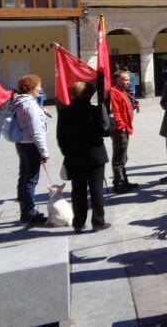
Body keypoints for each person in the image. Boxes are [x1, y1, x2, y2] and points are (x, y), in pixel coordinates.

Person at [56, 81, 112, 233]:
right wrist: (105, 111)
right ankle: (98, 222)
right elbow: (106, 131)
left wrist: (67, 153)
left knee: (78, 191)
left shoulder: (65, 112)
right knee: (96, 190)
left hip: (74, 156)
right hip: (95, 156)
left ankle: (78, 223)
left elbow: (60, 137)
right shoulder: (95, 111)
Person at [12, 74, 50, 225]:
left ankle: (24, 211)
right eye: (38, 86)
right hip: (31, 145)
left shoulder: (20, 102)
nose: (40, 89)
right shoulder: (29, 105)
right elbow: (36, 132)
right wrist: (44, 152)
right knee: (31, 181)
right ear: (31, 88)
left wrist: (40, 110)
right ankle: (30, 213)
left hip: (21, 143)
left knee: (24, 177)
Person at [110, 69, 138, 194]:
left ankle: (123, 181)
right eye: (125, 79)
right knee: (119, 156)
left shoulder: (121, 91)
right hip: (120, 129)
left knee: (123, 156)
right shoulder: (113, 93)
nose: (128, 82)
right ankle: (119, 184)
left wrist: (132, 107)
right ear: (117, 80)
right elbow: (114, 112)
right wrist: (121, 126)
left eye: (128, 79)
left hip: (125, 127)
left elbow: (123, 107)